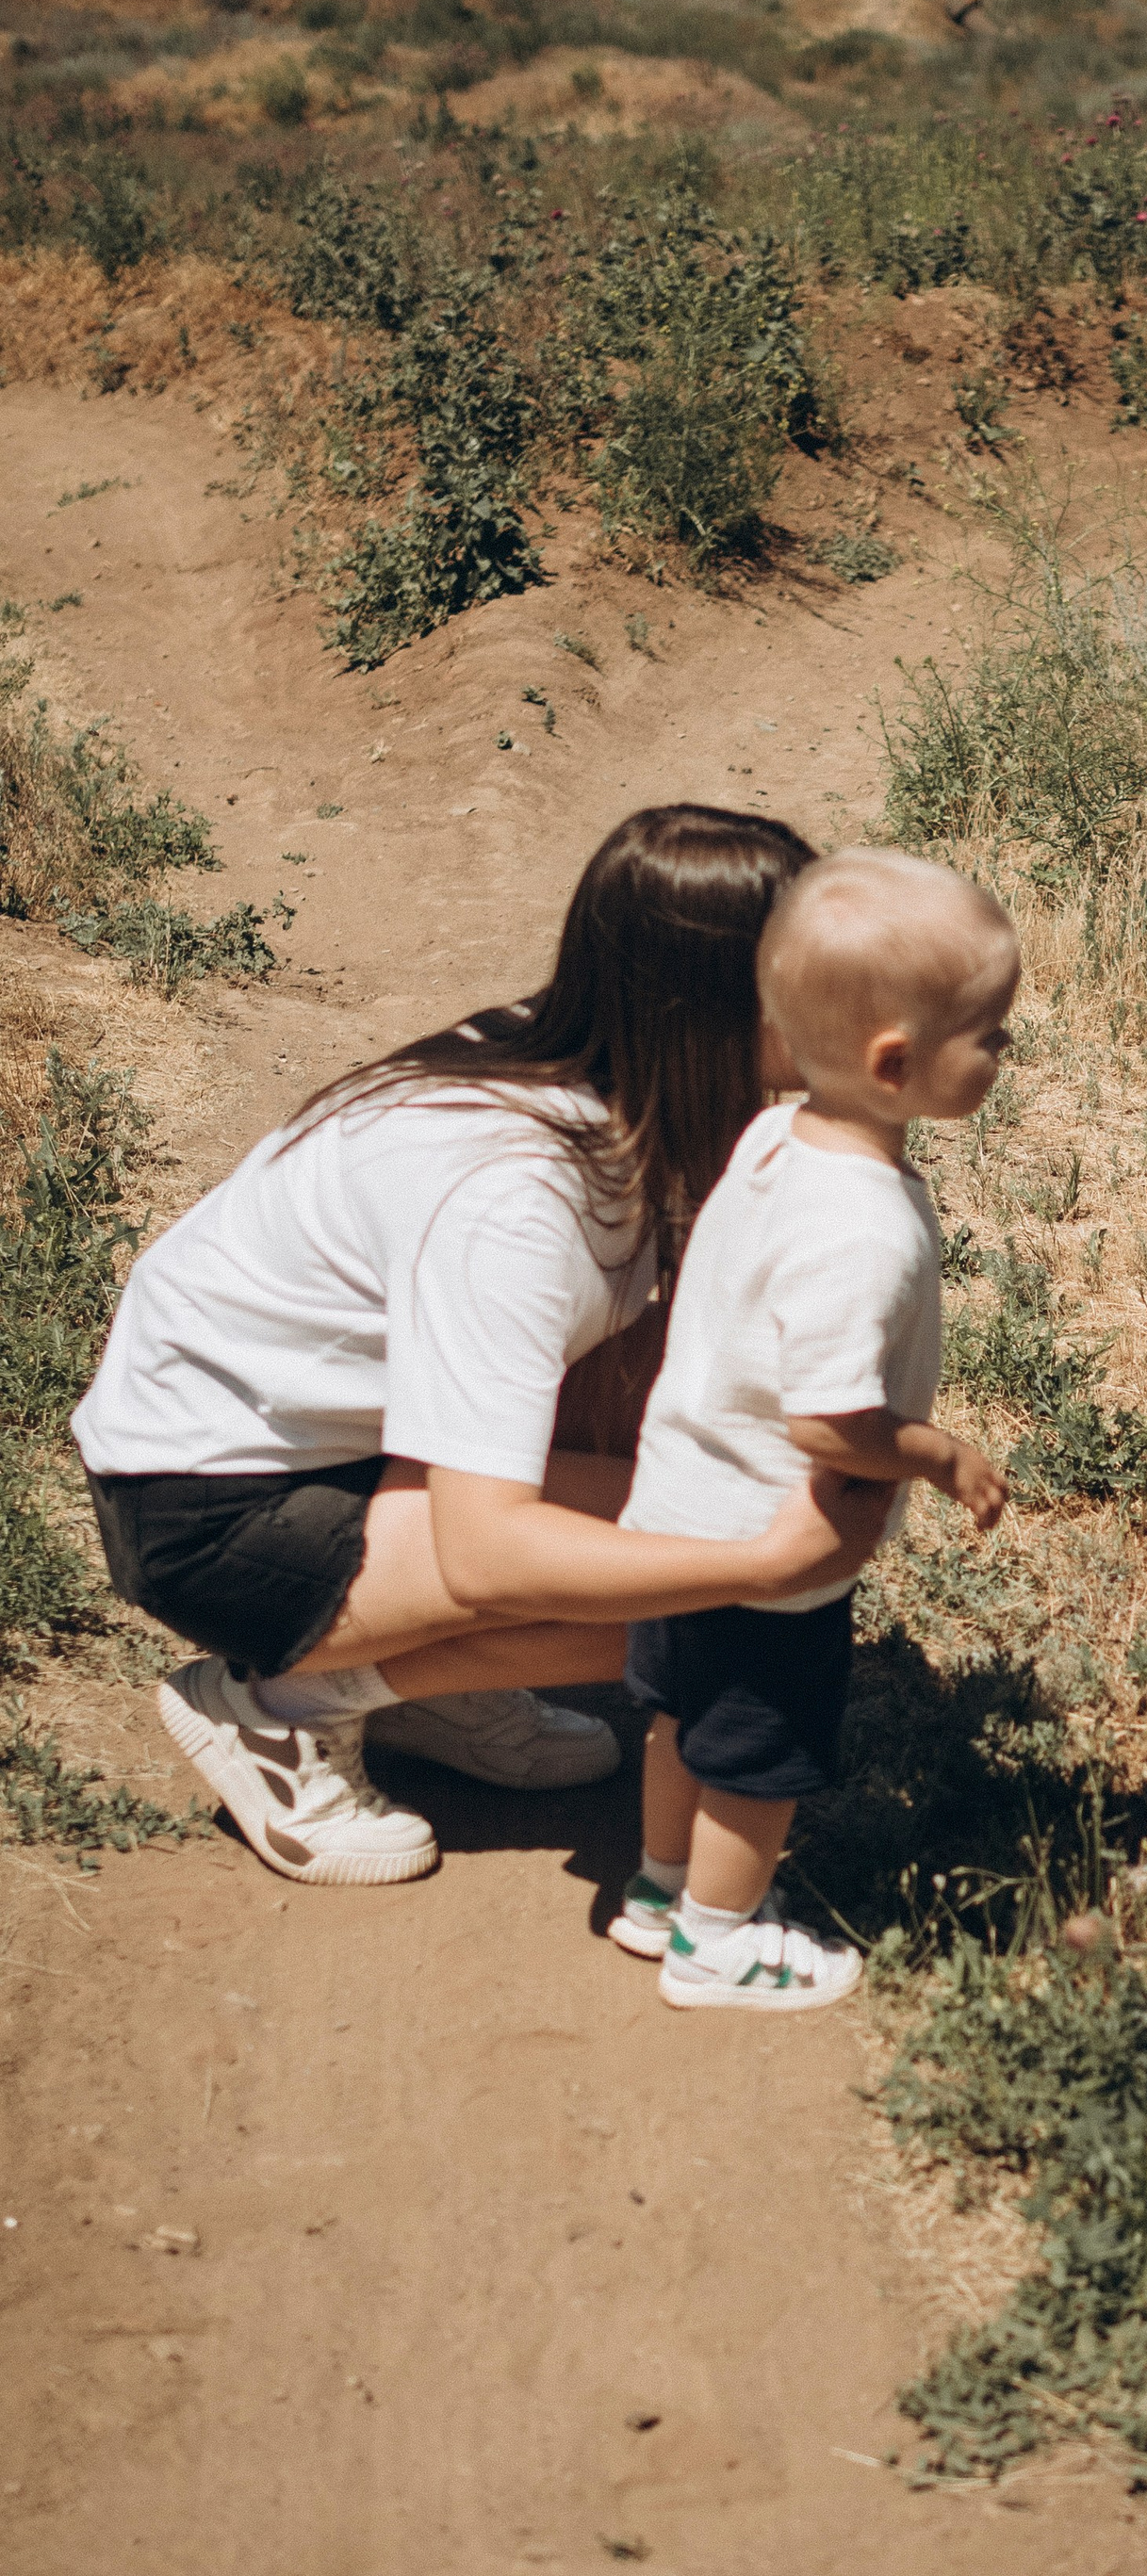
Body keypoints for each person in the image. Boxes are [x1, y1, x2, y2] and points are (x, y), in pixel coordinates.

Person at [73, 805, 893, 1890]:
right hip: (210, 1506)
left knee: (720, 1482)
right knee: (722, 1572)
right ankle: (281, 1707)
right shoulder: (514, 1196)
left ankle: (426, 1678)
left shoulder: (608, 1071)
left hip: (327, 1439)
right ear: (712, 1002)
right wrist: (755, 1563)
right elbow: (488, 1551)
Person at [606, 847, 1017, 2011]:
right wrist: (937, 1453)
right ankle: (718, 1941)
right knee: (759, 1753)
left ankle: (660, 1890)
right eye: (987, 1034)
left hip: (677, 1500)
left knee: (681, 1715)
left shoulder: (779, 1131)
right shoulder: (862, 1228)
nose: (1000, 1051)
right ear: (898, 1061)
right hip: (765, 1535)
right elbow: (832, 1421)